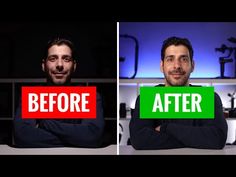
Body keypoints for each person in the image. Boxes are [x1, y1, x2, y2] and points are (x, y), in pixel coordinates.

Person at [129, 36, 228, 150]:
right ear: (162, 66)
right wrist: (196, 140)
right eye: (170, 59)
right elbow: (139, 140)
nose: (177, 66)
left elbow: (217, 139)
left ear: (192, 66)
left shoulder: (209, 98)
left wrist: (167, 128)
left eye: (184, 59)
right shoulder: (148, 98)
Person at [13, 37, 105, 148]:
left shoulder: (90, 97)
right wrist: (76, 138)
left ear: (74, 66)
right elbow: (23, 137)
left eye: (66, 59)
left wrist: (44, 123)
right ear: (43, 65)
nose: (60, 65)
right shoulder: (31, 97)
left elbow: (92, 136)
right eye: (53, 59)